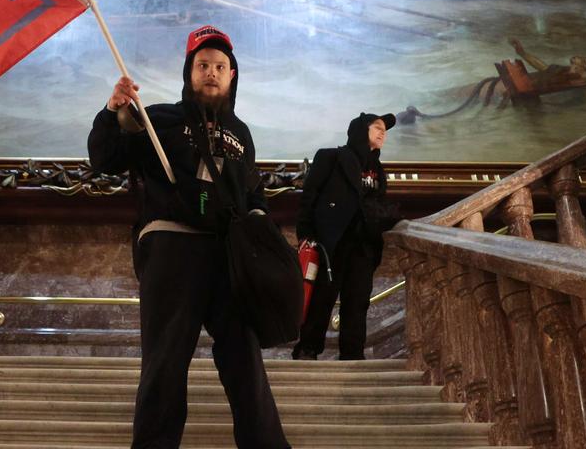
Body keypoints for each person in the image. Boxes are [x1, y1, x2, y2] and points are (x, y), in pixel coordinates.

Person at [88, 26, 289, 449]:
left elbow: (254, 195)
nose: (211, 73)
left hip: (228, 256)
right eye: (202, 66)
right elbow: (105, 159)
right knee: (165, 362)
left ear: (232, 75)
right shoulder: (158, 118)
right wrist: (113, 110)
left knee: (245, 360)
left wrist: (260, 237)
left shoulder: (242, 134)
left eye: (219, 66)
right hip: (172, 249)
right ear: (189, 71)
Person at [293, 112, 397, 361]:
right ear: (361, 130)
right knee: (322, 298)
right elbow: (310, 197)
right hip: (332, 243)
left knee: (358, 301)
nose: (383, 133)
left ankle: (352, 355)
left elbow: (378, 205)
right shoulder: (331, 157)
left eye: (385, 130)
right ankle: (308, 349)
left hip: (363, 245)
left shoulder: (378, 170)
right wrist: (306, 235)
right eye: (377, 127)